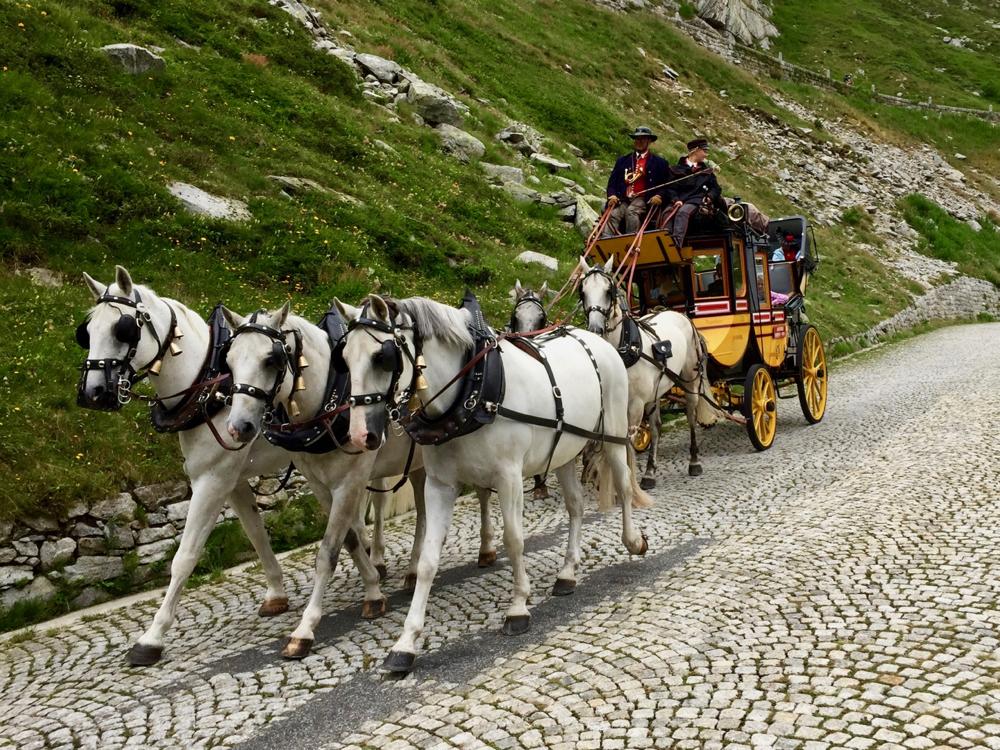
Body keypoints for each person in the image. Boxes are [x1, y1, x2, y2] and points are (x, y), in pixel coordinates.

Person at [601, 126, 671, 238]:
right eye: (637, 139)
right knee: (613, 214)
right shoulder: (622, 161)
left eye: (643, 139)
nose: (639, 141)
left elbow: (665, 185)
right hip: (623, 198)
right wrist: (612, 196)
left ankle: (631, 242)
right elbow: (612, 183)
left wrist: (659, 196)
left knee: (631, 212)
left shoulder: (660, 163)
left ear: (649, 141)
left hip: (644, 199)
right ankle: (605, 242)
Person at [660, 137, 723, 249]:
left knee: (683, 212)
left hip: (695, 200)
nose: (706, 155)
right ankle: (665, 245)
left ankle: (676, 246)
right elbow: (670, 188)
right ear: (696, 151)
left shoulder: (707, 172)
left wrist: (709, 196)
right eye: (704, 151)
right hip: (678, 200)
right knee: (667, 214)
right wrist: (676, 200)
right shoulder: (675, 170)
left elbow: (716, 188)